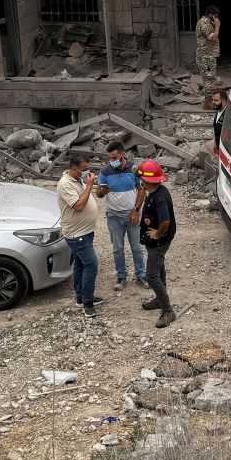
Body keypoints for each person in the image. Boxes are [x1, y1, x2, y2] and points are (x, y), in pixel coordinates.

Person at [96, 141, 148, 291]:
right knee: (117, 248)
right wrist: (101, 192)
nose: (112, 161)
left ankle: (141, 275)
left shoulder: (134, 169)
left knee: (137, 247)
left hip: (132, 214)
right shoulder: (105, 172)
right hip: (113, 215)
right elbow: (99, 193)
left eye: (114, 158)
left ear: (123, 155)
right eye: (110, 158)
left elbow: (142, 190)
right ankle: (121, 276)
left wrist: (136, 211)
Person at [58, 153, 102, 317]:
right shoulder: (65, 184)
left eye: (88, 169)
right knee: (91, 264)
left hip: (85, 230)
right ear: (74, 169)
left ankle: (80, 297)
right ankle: (88, 303)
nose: (87, 172)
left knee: (80, 264)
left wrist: (93, 186)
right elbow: (78, 206)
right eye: (84, 170)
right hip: (77, 234)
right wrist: (89, 186)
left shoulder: (77, 179)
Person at [137, 160, 178, 328]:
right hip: (156, 241)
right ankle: (160, 300)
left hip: (159, 242)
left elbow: (165, 221)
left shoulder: (159, 198)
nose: (140, 181)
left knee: (151, 276)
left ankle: (168, 310)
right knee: (159, 268)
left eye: (141, 178)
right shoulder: (157, 191)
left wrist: (158, 234)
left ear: (147, 181)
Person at [195, 5, 221, 90]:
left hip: (208, 56)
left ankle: (210, 100)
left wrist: (214, 25)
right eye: (215, 16)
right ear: (211, 15)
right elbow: (213, 38)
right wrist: (217, 26)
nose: (216, 18)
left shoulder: (208, 23)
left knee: (210, 81)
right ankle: (209, 101)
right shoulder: (204, 23)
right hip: (206, 57)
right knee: (209, 82)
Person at [205, 90, 229, 158]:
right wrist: (216, 142)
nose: (213, 102)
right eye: (212, 100)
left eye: (216, 100)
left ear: (224, 101)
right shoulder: (218, 110)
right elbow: (217, 131)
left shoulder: (228, 116)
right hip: (219, 145)